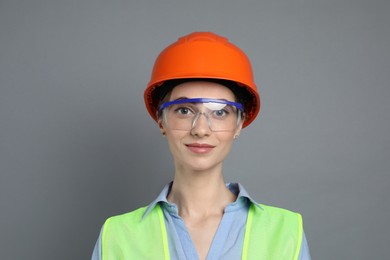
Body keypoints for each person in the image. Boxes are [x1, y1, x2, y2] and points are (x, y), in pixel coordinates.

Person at [92, 31, 311, 260]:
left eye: (219, 112)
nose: (200, 129)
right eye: (184, 110)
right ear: (161, 121)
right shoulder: (118, 235)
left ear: (238, 125)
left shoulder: (285, 232)